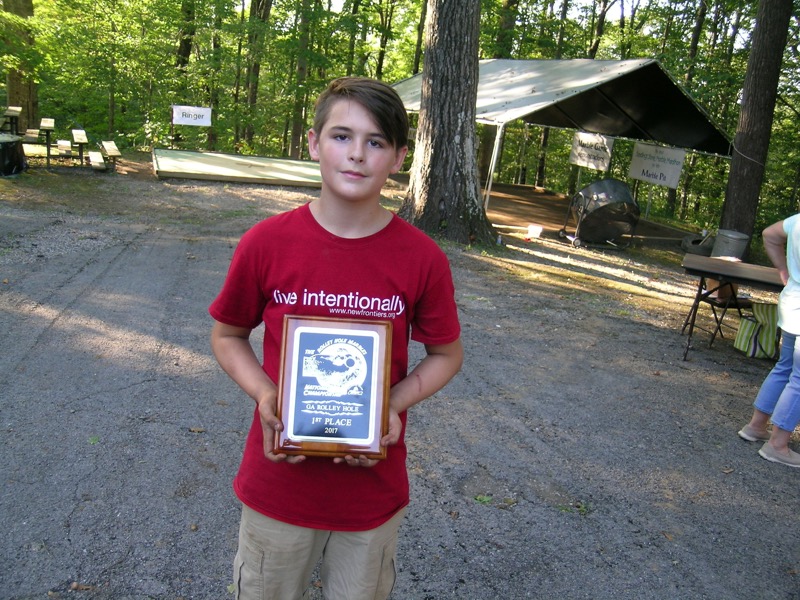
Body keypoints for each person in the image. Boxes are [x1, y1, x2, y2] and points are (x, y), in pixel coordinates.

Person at [208, 76, 464, 599]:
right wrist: (264, 393)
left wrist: (390, 405)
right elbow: (228, 334)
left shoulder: (422, 258)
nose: (357, 154)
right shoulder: (267, 242)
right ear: (313, 143)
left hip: (369, 492)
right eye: (342, 136)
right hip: (279, 485)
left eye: (376, 142)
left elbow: (446, 354)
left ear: (399, 157)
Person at [738, 216, 800, 467]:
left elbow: (769, 234)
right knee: (799, 378)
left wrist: (784, 270)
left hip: (792, 302)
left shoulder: (798, 220)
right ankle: (777, 445)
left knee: (785, 367)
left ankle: (756, 426)